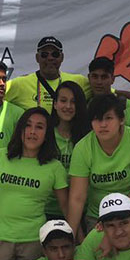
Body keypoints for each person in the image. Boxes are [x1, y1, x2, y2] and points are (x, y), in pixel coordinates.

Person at [0, 107, 69, 260]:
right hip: (0, 239)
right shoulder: (2, 156)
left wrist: (80, 237)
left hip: (33, 242)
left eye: (39, 127)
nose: (32, 131)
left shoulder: (55, 167)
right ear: (20, 129)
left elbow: (66, 206)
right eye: (28, 126)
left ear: (47, 134)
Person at [67, 93, 130, 235]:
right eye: (97, 119)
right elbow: (77, 198)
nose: (103, 124)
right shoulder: (82, 148)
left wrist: (114, 217)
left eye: (108, 118)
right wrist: (71, 235)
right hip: (99, 219)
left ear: (121, 119)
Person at [3, 36, 94, 111]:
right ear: (37, 58)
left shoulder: (79, 81)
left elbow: (101, 91)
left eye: (55, 54)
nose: (50, 58)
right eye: (44, 55)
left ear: (62, 57)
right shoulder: (20, 84)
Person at [47, 80, 91, 218]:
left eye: (73, 102)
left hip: (82, 209)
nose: (68, 106)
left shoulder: (89, 136)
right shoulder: (44, 134)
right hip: (47, 209)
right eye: (63, 100)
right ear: (55, 104)